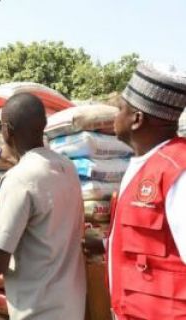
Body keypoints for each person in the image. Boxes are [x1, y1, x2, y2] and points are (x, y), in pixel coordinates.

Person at [0, 93, 86, 320]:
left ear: (6, 130)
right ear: (42, 125)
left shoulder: (19, 179)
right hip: (72, 308)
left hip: (38, 311)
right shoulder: (67, 167)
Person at [86, 62, 186, 320]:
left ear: (136, 119)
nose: (114, 115)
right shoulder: (143, 165)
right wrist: (105, 245)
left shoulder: (177, 171)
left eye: (120, 108)